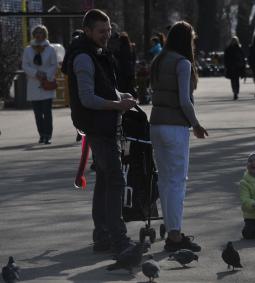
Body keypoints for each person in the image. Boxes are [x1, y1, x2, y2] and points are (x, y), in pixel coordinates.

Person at [64, 9, 137, 255]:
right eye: (101, 31)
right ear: (87, 31)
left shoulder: (94, 52)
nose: (107, 35)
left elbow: (102, 88)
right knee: (116, 180)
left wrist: (121, 96)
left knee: (106, 180)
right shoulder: (84, 57)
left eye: (108, 30)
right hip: (98, 127)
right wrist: (117, 105)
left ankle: (103, 236)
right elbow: (87, 98)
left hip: (103, 125)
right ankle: (118, 239)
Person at [149, 21, 208, 252]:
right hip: (175, 127)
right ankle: (174, 235)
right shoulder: (182, 63)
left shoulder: (159, 59)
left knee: (165, 180)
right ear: (187, 40)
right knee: (177, 181)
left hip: (156, 124)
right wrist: (196, 124)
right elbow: (185, 100)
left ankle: (171, 228)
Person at [22, 25, 58, 144]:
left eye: (40, 33)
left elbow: (54, 64)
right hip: (34, 84)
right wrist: (35, 73)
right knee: (37, 113)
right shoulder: (28, 49)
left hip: (46, 83)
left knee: (47, 112)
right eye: (36, 33)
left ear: (44, 35)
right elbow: (25, 65)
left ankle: (48, 134)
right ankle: (41, 134)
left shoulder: (50, 49)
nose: (38, 35)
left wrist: (46, 75)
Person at [224, 36, 246, 100]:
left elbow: (242, 58)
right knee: (234, 80)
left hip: (236, 67)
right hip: (233, 66)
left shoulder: (237, 48)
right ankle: (235, 92)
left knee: (235, 80)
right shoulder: (232, 48)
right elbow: (226, 58)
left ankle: (236, 92)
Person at [116, 32, 136, 97]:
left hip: (123, 69)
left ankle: (129, 97)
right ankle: (133, 96)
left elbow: (118, 56)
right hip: (130, 68)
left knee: (123, 86)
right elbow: (134, 58)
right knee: (130, 85)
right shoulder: (131, 47)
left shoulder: (121, 47)